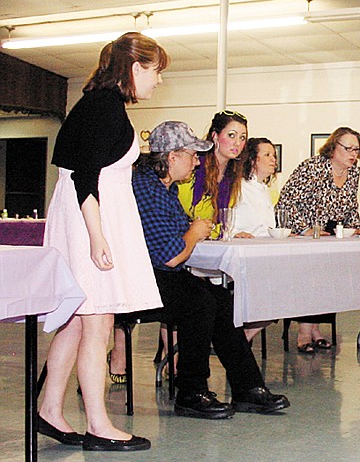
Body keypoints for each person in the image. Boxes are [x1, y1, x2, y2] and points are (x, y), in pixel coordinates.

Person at [39, 32, 168, 452]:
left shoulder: (98, 104)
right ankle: (98, 423)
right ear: (135, 68)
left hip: (89, 216)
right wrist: (97, 238)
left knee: (79, 320)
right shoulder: (104, 108)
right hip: (90, 219)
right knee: (97, 322)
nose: (158, 81)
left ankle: (49, 410)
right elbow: (84, 177)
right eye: (156, 72)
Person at [132, 121, 290, 418]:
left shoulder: (164, 188)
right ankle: (191, 392)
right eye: (192, 155)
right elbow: (170, 257)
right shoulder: (147, 189)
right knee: (200, 302)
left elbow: (178, 244)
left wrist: (197, 232)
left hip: (159, 275)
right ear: (172, 157)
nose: (196, 161)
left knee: (220, 299)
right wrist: (194, 232)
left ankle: (247, 387)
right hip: (142, 280)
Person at [277, 127, 360, 353]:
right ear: (333, 147)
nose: (352, 154)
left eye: (356, 149)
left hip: (332, 236)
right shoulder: (312, 168)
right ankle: (304, 333)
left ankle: (316, 330)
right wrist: (304, 229)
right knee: (311, 282)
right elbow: (285, 204)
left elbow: (351, 206)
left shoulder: (353, 172)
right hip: (306, 235)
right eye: (347, 148)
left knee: (328, 284)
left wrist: (354, 227)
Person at [230, 137, 280, 340]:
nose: (273, 160)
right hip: (240, 257)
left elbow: (267, 228)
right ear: (252, 160)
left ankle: (243, 337)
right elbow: (224, 218)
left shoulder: (265, 190)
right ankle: (240, 339)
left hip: (262, 256)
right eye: (267, 155)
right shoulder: (238, 186)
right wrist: (234, 232)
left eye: (274, 156)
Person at [178, 110, 248, 234]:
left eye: (242, 137)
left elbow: (220, 223)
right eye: (232, 135)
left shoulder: (233, 177)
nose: (238, 143)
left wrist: (234, 232)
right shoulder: (192, 167)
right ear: (215, 136)